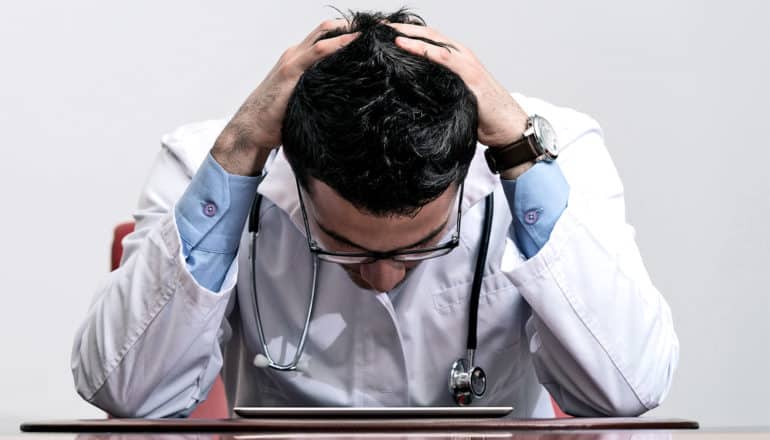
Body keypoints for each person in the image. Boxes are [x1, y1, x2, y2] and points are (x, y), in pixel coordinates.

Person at [71, 10, 678, 418]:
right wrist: (237, 154)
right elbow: (129, 395)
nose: (383, 276)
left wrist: (522, 155)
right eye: (343, 244)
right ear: (295, 171)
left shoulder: (553, 152)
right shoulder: (212, 159)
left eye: (423, 243)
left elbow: (627, 389)